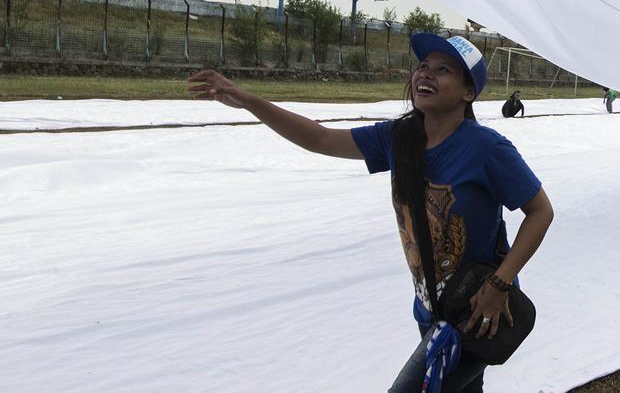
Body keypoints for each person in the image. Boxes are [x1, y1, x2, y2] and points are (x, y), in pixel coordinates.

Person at [188, 34, 554, 393]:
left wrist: (500, 283)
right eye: (423, 66)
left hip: (476, 311)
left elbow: (540, 211)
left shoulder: (486, 148)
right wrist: (251, 101)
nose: (426, 74)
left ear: (468, 92)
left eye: (444, 70)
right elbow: (320, 139)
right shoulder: (398, 137)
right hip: (431, 310)